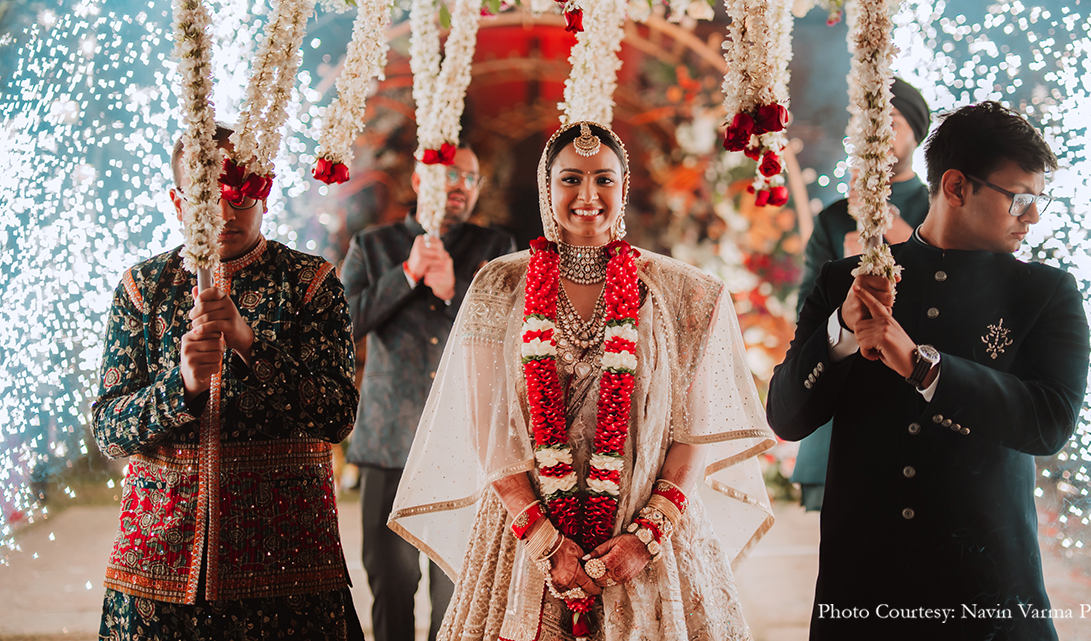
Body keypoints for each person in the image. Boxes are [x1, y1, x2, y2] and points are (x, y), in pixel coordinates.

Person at [388, 122, 774, 641]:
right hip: (525, 535)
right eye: (571, 179)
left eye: (603, 180)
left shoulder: (683, 293)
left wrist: (645, 539)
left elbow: (693, 434)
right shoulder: (499, 286)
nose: (587, 195)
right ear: (548, 189)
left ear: (624, 188)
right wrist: (544, 540)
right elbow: (488, 429)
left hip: (644, 533)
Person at [767, 101, 1090, 640]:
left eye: (1039, 200)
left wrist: (922, 366)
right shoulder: (846, 280)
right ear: (957, 186)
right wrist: (842, 332)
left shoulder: (1046, 293)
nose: (1033, 217)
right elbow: (785, 415)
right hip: (863, 596)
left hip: (990, 594)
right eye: (1021, 199)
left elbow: (1049, 422)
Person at [94, 124, 362, 640]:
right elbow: (109, 430)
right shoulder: (142, 289)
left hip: (288, 562)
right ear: (177, 202)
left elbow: (336, 417)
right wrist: (183, 387)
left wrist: (250, 343)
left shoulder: (310, 283)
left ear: (263, 189)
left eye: (239, 194)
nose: (223, 214)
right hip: (160, 568)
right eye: (203, 197)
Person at [341, 143, 516, 641]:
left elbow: (517, 331)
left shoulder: (495, 248)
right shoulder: (372, 246)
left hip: (465, 446)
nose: (460, 185)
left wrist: (452, 292)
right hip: (388, 441)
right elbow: (337, 328)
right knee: (390, 582)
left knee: (457, 589)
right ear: (419, 181)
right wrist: (406, 276)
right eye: (449, 175)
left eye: (471, 177)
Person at [790, 77, 932, 511]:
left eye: (890, 122)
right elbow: (806, 310)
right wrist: (844, 276)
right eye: (869, 125)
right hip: (846, 394)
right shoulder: (835, 218)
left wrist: (908, 241)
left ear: (915, 131)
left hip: (913, 396)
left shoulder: (936, 211)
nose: (878, 136)